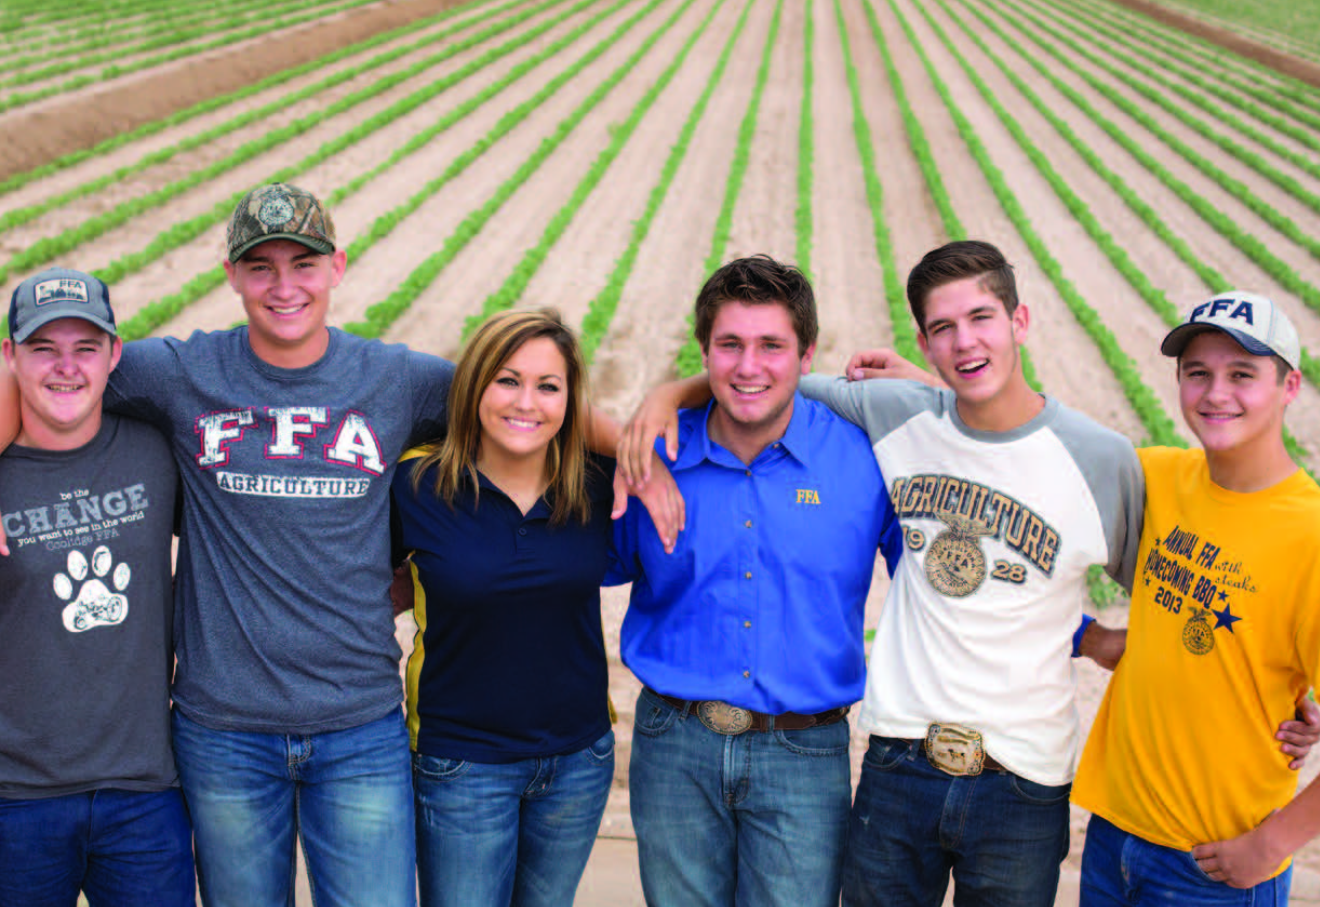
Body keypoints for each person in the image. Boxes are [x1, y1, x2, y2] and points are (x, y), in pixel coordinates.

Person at [619, 241, 1319, 906]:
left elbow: (1192, 601)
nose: (963, 341)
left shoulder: (1110, 462)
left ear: (1019, 320)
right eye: (942, 328)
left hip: (1024, 781)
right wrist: (666, 396)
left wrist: (1285, 701)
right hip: (900, 764)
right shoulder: (896, 417)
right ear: (922, 344)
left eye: (981, 318)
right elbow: (759, 381)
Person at [0, 185, 452, 907]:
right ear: (229, 274)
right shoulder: (179, 374)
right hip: (223, 731)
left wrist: (658, 419)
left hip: (358, 723)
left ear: (338, 267)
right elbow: (43, 374)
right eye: (259, 266)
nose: (283, 285)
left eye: (304, 263)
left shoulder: (396, 378)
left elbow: (524, 399)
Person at [607, 254, 903, 906]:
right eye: (729, 345)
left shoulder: (864, 460)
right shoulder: (652, 455)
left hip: (803, 753)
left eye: (771, 345)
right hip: (673, 750)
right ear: (703, 352)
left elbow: (935, 581)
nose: (748, 367)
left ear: (806, 354)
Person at [1072, 291, 1320, 904]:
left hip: (1212, 866)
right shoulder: (1160, 476)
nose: (1215, 394)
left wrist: (1272, 844)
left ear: (1289, 387)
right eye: (1197, 373)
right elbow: (1024, 450)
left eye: (1243, 375)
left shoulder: (1309, 535)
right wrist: (1095, 638)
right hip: (1113, 835)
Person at [392, 308, 632, 906]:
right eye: (507, 380)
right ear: (474, 384)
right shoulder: (417, 484)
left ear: (571, 401)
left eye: (548, 386)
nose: (526, 402)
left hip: (578, 758)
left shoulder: (597, 481)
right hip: (460, 764)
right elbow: (373, 586)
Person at [0, 269, 193, 905]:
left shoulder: (156, 451)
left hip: (144, 794)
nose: (65, 368)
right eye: (43, 348)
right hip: (9, 801)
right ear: (10, 356)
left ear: (115, 355)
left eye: (85, 348)